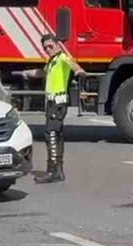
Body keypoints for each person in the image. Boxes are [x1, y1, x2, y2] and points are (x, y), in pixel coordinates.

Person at [22, 34, 86, 184]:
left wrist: (79, 71)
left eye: (50, 46)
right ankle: (59, 171)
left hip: (58, 102)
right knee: (57, 135)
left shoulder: (62, 58)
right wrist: (27, 72)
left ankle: (52, 171)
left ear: (57, 45)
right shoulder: (52, 61)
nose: (48, 49)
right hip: (52, 103)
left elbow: (73, 65)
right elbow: (42, 73)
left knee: (50, 134)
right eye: (45, 48)